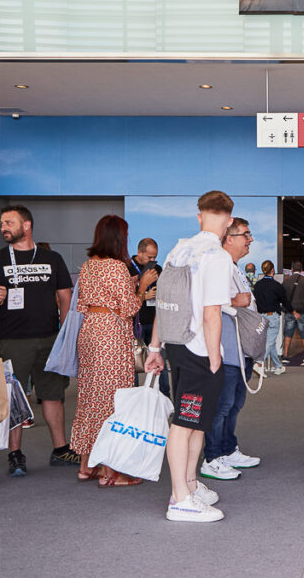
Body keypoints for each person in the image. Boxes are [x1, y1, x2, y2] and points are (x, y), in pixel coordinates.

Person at [144, 190, 235, 523]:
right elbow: (212, 314)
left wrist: (155, 347)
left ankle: (190, 484)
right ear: (229, 221)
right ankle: (180, 498)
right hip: (199, 350)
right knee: (185, 423)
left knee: (196, 423)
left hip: (176, 344)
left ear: (199, 216)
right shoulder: (218, 256)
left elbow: (163, 304)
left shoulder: (178, 249)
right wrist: (214, 359)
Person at [72, 215, 153, 487]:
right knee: (112, 399)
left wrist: (127, 286)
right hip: (111, 335)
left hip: (90, 330)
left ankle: (86, 466)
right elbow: (129, 307)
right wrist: (141, 287)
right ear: (119, 238)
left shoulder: (88, 265)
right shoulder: (116, 266)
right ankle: (110, 471)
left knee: (90, 397)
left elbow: (83, 303)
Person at [0, 205, 76, 476]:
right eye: (2, 223)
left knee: (53, 394)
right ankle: (15, 453)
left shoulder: (51, 258)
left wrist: (64, 333)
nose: (3, 227)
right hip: (11, 339)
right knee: (14, 397)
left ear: (26, 225)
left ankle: (61, 449)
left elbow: (65, 296)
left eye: (9, 222)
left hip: (49, 338)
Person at [199, 217, 261, 480]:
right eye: (246, 234)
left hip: (240, 346)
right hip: (225, 346)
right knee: (222, 403)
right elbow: (206, 300)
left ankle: (227, 448)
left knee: (235, 402)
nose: (250, 239)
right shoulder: (218, 264)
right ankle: (213, 456)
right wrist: (236, 301)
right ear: (229, 238)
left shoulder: (233, 266)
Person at [252, 260, 290, 375]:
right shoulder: (277, 285)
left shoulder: (257, 285)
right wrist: (292, 310)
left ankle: (278, 366)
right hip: (272, 316)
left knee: (271, 342)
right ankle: (259, 363)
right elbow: (285, 301)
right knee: (270, 341)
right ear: (272, 270)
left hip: (261, 316)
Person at [130, 237, 162, 345]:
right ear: (139, 252)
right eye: (149, 257)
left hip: (153, 320)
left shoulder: (157, 269)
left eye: (155, 257)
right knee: (137, 353)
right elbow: (124, 299)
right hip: (136, 321)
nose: (152, 260)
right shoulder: (127, 268)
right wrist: (145, 296)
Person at [283, 260, 304, 364]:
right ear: (301, 270)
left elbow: (283, 297)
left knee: (288, 334)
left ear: (292, 269)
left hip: (290, 311)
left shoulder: (286, 281)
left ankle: (285, 356)